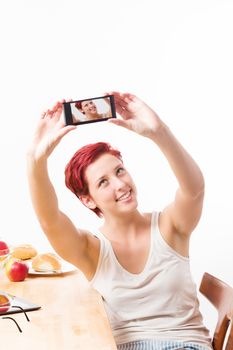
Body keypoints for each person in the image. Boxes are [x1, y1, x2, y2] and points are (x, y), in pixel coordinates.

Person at [27, 92, 213, 350]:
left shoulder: (169, 227)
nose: (120, 184)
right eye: (103, 182)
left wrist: (159, 132)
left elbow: (194, 189)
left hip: (185, 345)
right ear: (88, 200)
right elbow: (49, 221)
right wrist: (36, 160)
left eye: (119, 171)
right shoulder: (91, 250)